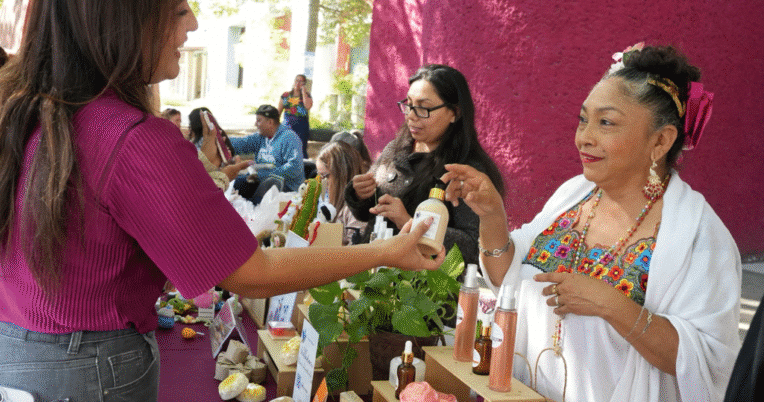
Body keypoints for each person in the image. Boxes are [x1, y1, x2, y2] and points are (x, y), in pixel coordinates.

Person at [0, 0, 443, 401]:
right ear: (125, 17)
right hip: (83, 371)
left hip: (6, 352)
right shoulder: (131, 138)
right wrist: (383, 253)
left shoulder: (23, 110)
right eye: (179, 9)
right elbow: (251, 273)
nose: (193, 24)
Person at [441, 45, 741, 402]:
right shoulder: (575, 194)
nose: (584, 137)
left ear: (660, 141)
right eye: (583, 119)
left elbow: (710, 361)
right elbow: (509, 277)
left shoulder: (699, 237)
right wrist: (492, 216)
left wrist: (612, 304)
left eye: (606, 122)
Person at [344, 64, 505, 266]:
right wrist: (360, 194)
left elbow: (472, 246)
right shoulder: (396, 149)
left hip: (423, 290)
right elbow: (367, 211)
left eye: (423, 108)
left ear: (454, 112)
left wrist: (410, 222)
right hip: (375, 274)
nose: (411, 115)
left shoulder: (466, 171)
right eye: (408, 104)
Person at [229, 104, 305, 202]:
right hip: (264, 183)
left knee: (250, 196)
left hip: (287, 189)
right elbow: (241, 143)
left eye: (259, 120)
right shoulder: (261, 137)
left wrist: (266, 174)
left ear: (270, 122)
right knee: (234, 185)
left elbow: (295, 167)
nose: (255, 124)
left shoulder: (289, 138)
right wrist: (220, 139)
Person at [316, 141, 368, 244]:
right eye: (319, 176)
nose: (322, 182)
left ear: (342, 175)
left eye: (325, 176)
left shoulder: (355, 210)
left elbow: (355, 251)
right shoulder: (331, 203)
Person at [277, 74, 312, 158]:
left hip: (301, 126)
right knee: (285, 148)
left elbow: (308, 106)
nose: (298, 83)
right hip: (287, 125)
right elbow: (279, 111)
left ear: (304, 84)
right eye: (297, 80)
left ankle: (301, 168)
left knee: (300, 149)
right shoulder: (286, 95)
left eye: (301, 81)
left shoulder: (307, 95)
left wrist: (303, 92)